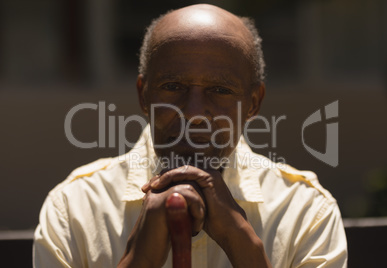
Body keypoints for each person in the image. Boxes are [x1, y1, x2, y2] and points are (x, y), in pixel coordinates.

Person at [33, 4, 347, 268]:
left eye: (220, 90)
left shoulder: (306, 210)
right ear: (145, 96)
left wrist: (241, 240)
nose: (194, 112)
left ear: (253, 103)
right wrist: (140, 258)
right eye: (173, 87)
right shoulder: (75, 208)